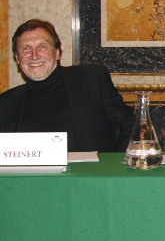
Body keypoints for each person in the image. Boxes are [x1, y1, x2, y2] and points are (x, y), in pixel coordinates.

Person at [0, 19, 135, 152]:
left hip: (89, 172)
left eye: (42, 46)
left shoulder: (91, 79)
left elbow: (130, 123)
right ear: (17, 58)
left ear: (57, 52)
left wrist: (115, 164)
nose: (34, 55)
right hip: (32, 174)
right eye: (26, 48)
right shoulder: (6, 103)